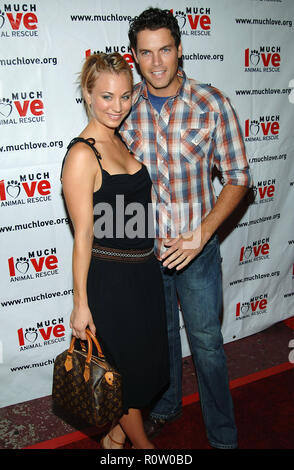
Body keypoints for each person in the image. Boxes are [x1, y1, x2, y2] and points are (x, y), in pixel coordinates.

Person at [120, 8, 252, 449]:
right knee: (161, 341)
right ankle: (166, 407)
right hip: (144, 251)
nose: (157, 63)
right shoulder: (123, 108)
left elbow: (238, 177)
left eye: (165, 50)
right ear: (134, 57)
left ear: (179, 50)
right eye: (146, 53)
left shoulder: (211, 103)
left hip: (197, 251)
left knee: (208, 346)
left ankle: (223, 436)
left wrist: (202, 234)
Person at [61, 52, 169, 450]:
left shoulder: (119, 137)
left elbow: (133, 213)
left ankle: (113, 440)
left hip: (143, 275)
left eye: (125, 96)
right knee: (125, 377)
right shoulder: (81, 155)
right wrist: (81, 304)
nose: (117, 106)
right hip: (110, 283)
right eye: (106, 97)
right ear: (88, 95)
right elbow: (84, 235)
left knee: (148, 370)